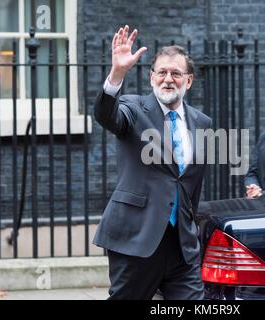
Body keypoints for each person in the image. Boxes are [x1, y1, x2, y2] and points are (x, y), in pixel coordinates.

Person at [92, 25, 211, 300]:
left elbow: (192, 182)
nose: (168, 79)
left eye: (176, 74)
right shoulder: (133, 109)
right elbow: (105, 115)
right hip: (137, 240)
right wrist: (117, 73)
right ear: (151, 77)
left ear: (188, 81)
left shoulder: (202, 123)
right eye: (162, 73)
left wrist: (190, 226)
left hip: (181, 245)